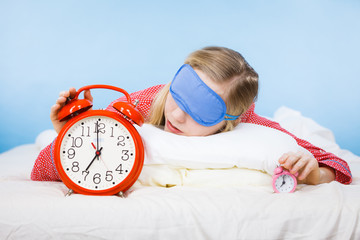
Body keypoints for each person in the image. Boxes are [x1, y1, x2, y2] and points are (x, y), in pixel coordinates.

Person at [31, 46, 352, 185]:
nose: (177, 115)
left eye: (200, 111)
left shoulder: (254, 125)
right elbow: (42, 170)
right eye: (178, 95)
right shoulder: (147, 101)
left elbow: (337, 166)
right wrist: (69, 132)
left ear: (229, 120)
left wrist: (314, 173)